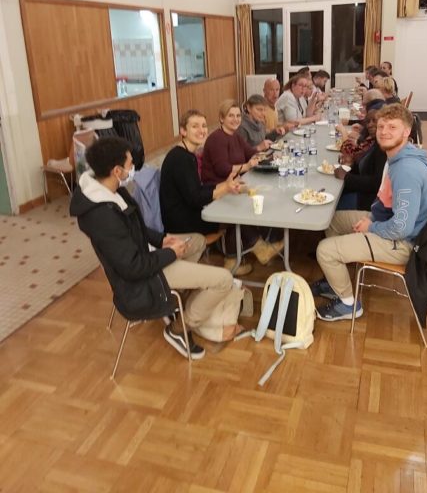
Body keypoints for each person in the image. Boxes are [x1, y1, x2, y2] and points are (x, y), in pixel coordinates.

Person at [70, 136, 237, 360]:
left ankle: (175, 300)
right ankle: (180, 328)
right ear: (117, 171)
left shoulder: (112, 190)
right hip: (144, 280)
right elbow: (133, 267)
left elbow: (137, 227)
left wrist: (163, 239)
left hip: (148, 258)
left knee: (196, 241)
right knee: (224, 280)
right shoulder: (102, 216)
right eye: (130, 164)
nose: (134, 168)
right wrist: (170, 253)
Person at [314, 104, 427, 322]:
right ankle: (335, 280)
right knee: (332, 221)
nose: (383, 132)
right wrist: (372, 217)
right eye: (381, 126)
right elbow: (386, 202)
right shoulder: (398, 157)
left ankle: (349, 305)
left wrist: (371, 227)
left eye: (392, 127)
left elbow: (402, 228)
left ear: (406, 131)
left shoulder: (407, 170)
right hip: (393, 225)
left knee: (325, 251)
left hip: (406, 244)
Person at [160, 109, 253, 276]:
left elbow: (197, 190)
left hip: (187, 213)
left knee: (233, 204)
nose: (201, 130)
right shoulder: (180, 159)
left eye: (203, 126)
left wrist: (224, 185)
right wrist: (224, 189)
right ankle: (233, 261)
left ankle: (246, 251)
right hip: (181, 223)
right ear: (183, 131)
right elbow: (196, 198)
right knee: (234, 214)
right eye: (195, 126)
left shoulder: (187, 154)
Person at [202, 99, 284, 266]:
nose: (235, 119)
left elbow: (251, 152)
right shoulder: (216, 139)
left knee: (269, 195)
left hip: (236, 184)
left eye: (238, 116)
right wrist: (246, 166)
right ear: (221, 118)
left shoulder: (235, 136)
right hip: (218, 189)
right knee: (246, 206)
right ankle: (251, 251)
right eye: (231, 116)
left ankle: (267, 241)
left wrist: (271, 157)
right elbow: (222, 169)